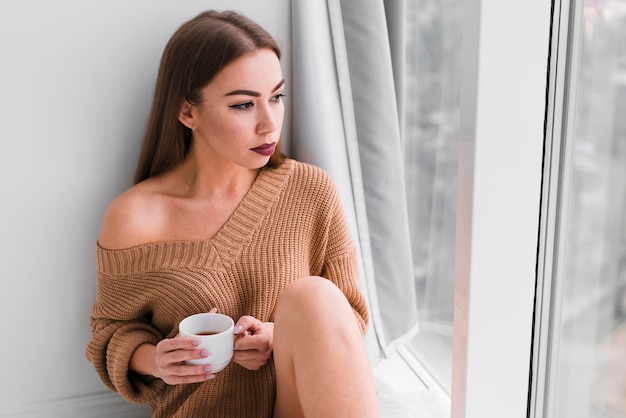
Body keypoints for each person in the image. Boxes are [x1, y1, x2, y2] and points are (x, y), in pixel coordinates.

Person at [85, 9, 381, 418]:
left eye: (276, 97)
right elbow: (110, 332)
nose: (269, 124)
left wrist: (280, 336)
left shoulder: (310, 190)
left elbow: (348, 319)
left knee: (314, 296)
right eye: (243, 105)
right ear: (188, 112)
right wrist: (156, 359)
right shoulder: (135, 217)